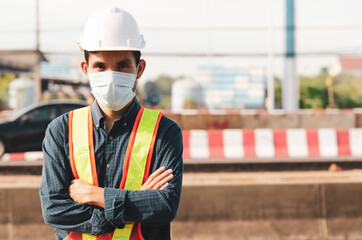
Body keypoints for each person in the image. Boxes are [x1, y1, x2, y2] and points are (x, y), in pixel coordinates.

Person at [39, 6, 183, 240]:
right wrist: (130, 205)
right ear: (86, 69)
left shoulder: (164, 132)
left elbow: (165, 206)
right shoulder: (60, 131)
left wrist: (97, 195)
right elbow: (54, 210)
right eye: (100, 66)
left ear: (140, 69)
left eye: (123, 66)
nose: (111, 74)